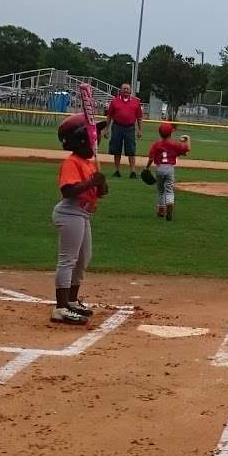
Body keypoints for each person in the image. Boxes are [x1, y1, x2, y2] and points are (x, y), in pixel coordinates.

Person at [51, 114, 107, 324]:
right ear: (81, 138)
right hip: (69, 213)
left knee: (84, 258)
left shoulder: (88, 163)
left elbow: (101, 192)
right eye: (94, 135)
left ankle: (72, 301)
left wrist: (100, 184)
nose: (97, 138)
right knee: (68, 260)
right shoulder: (72, 162)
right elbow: (68, 190)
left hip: (83, 214)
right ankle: (61, 308)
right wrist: (91, 182)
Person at [147, 120, 191, 221]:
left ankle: (161, 210)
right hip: (169, 169)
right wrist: (187, 139)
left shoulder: (156, 145)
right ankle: (170, 203)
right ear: (171, 133)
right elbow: (187, 149)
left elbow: (150, 158)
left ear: (159, 133)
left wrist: (147, 168)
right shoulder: (174, 145)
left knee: (160, 190)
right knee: (169, 189)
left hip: (159, 168)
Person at [106, 82, 144, 178]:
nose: (126, 90)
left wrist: (140, 130)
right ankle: (117, 170)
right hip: (117, 127)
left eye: (127, 89)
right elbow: (109, 116)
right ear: (120, 90)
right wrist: (106, 129)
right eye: (124, 89)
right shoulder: (114, 101)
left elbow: (139, 118)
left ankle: (132, 172)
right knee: (116, 150)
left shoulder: (136, 102)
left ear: (130, 91)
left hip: (130, 128)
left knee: (131, 150)